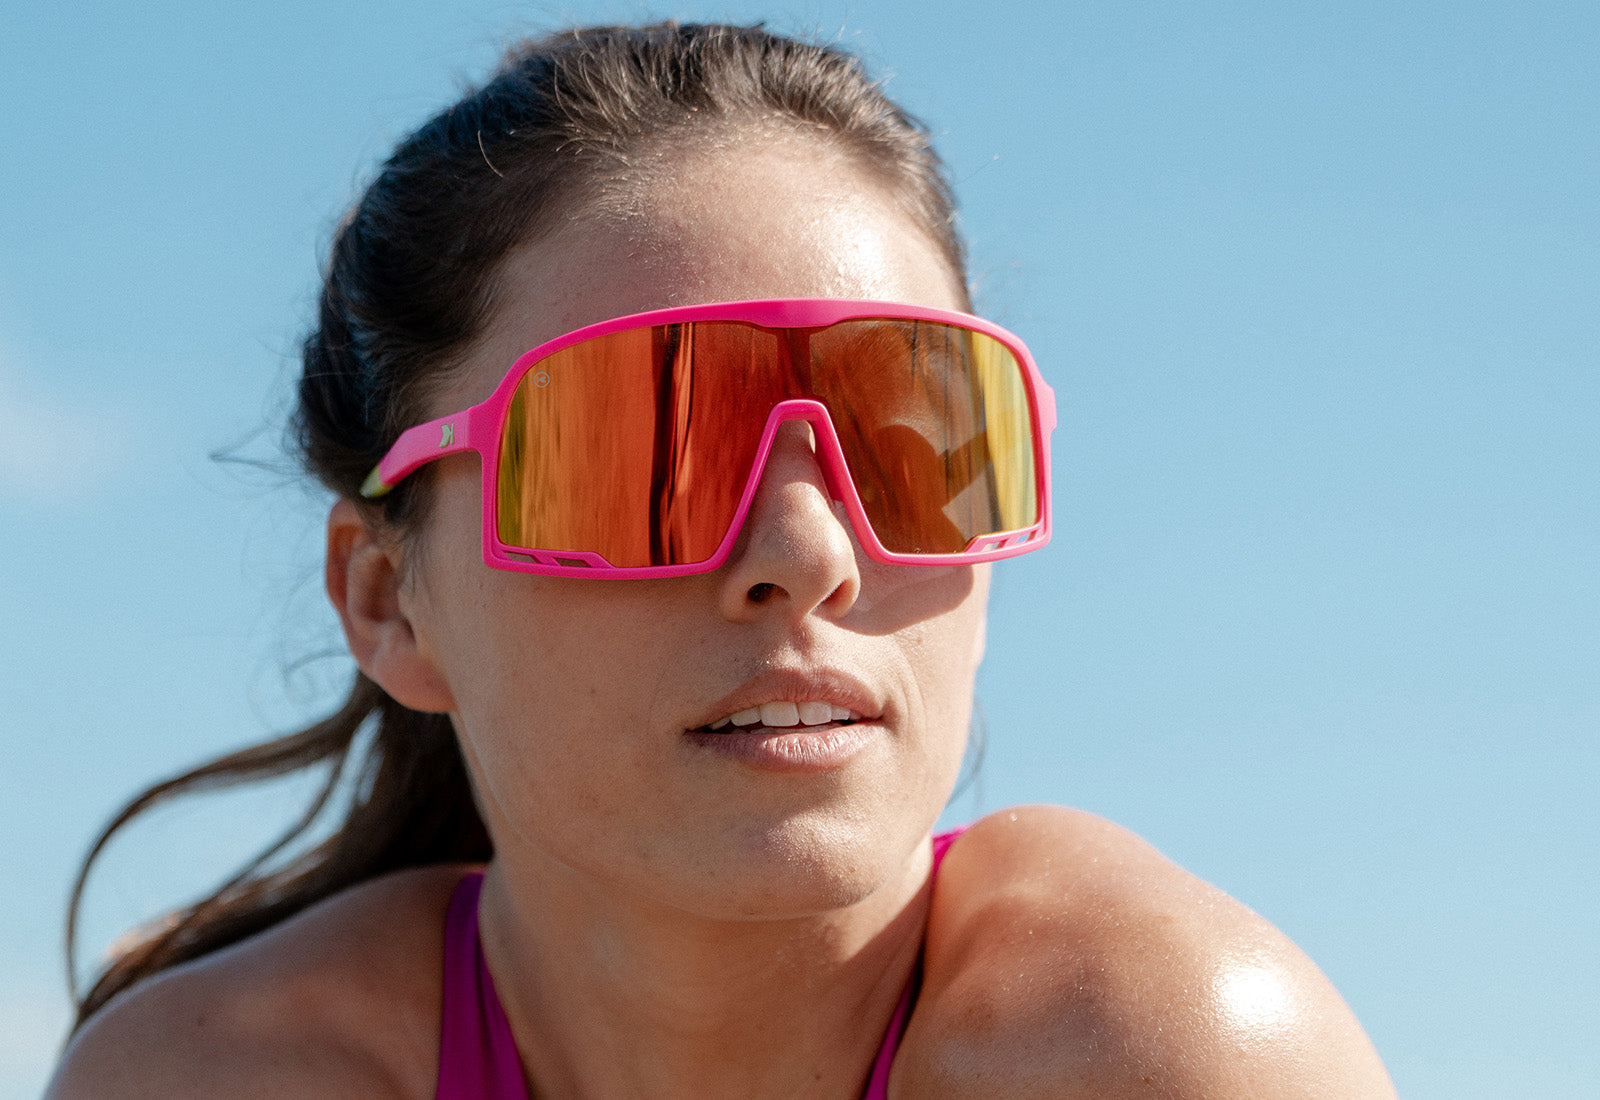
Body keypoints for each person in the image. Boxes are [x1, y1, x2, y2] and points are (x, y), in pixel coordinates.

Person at [48, 22, 1395, 1098]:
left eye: (914, 442)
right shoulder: (212, 1077)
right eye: (645, 450)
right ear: (389, 600)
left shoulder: (1159, 1053)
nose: (812, 553)